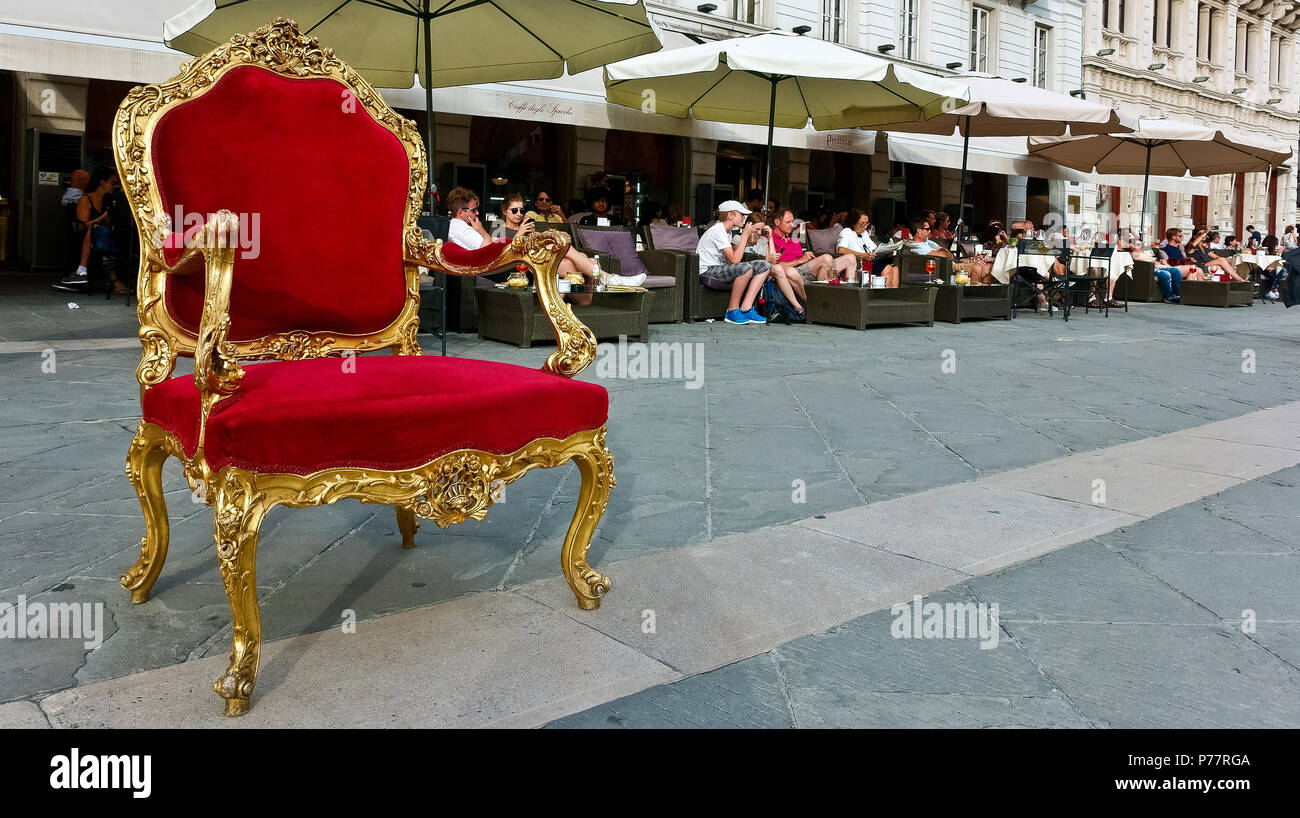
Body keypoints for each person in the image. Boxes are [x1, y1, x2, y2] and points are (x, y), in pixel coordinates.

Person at [697, 201, 772, 325]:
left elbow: (729, 260)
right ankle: (732, 311)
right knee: (745, 267)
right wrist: (744, 237)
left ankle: (746, 308)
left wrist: (745, 243)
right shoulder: (718, 230)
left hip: (720, 268)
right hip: (707, 270)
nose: (744, 217)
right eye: (741, 214)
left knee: (765, 265)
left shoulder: (727, 232)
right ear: (730, 215)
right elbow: (735, 260)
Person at [771, 208, 855, 282]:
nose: (792, 225)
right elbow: (773, 266)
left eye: (792, 221)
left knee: (850, 258)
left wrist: (807, 258)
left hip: (806, 269)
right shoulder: (770, 240)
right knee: (826, 258)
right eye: (788, 222)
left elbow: (802, 261)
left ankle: (849, 295)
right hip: (792, 272)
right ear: (777, 222)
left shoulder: (794, 240)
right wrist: (800, 261)